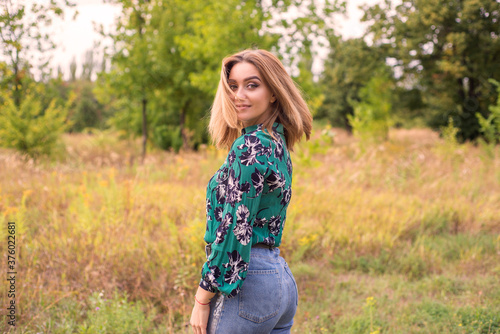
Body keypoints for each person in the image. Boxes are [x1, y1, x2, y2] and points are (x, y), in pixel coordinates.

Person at [190, 49, 312, 334]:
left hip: (247, 284)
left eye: (251, 85)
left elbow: (235, 229)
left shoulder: (251, 146)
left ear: (273, 92)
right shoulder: (276, 142)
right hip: (278, 281)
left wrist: (202, 298)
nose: (238, 95)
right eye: (233, 86)